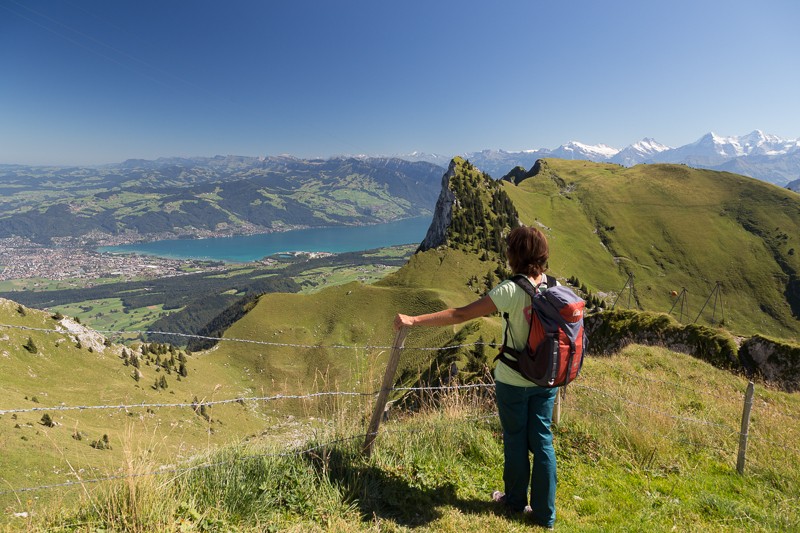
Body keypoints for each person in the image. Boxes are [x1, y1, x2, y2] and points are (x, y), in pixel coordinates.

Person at [394, 225, 558, 529]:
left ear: (516, 254)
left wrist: (414, 319)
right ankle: (545, 515)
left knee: (515, 439)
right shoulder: (555, 286)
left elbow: (460, 315)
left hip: (514, 378)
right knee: (543, 440)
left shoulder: (512, 289)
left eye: (510, 248)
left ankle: (514, 502)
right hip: (547, 379)